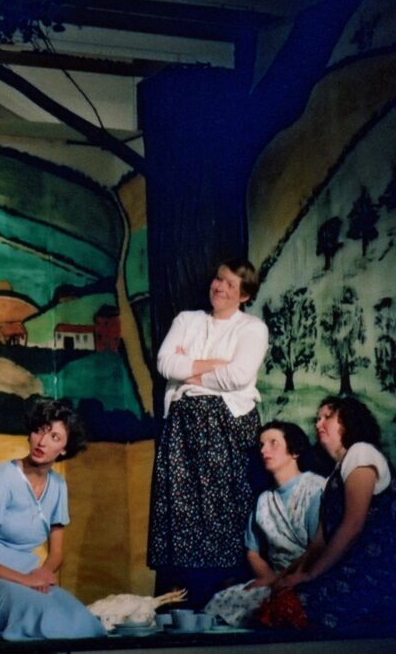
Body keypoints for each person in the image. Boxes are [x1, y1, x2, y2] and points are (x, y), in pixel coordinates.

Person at [147, 258, 269, 608]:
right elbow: (165, 364)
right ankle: (185, 599)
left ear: (244, 296)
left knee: (223, 508)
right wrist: (214, 366)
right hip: (183, 425)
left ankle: (224, 597)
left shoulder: (252, 328)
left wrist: (190, 370)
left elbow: (238, 376)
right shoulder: (187, 320)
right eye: (219, 279)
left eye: (231, 284)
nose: (220, 287)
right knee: (182, 510)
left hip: (227, 424)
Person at [0, 399, 106, 641]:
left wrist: (42, 574)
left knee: (85, 623)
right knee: (45, 619)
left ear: (65, 449)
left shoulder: (58, 486)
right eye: (39, 431)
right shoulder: (1, 478)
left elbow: (57, 553)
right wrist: (26, 580)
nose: (42, 442)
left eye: (54, 437)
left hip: (29, 576)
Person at [272, 396, 396, 629]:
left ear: (349, 421)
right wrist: (287, 577)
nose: (318, 424)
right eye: (317, 419)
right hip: (346, 568)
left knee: (292, 609)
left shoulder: (361, 453)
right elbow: (319, 542)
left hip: (372, 572)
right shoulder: (334, 476)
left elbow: (353, 525)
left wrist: (310, 576)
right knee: (279, 598)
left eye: (327, 417)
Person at [203, 422, 325, 626]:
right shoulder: (264, 500)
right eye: (261, 445)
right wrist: (269, 579)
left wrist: (282, 579)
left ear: (294, 451)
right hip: (274, 579)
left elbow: (319, 547)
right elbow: (252, 551)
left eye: (273, 443)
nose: (264, 450)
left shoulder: (314, 488)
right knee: (220, 600)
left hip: (307, 574)